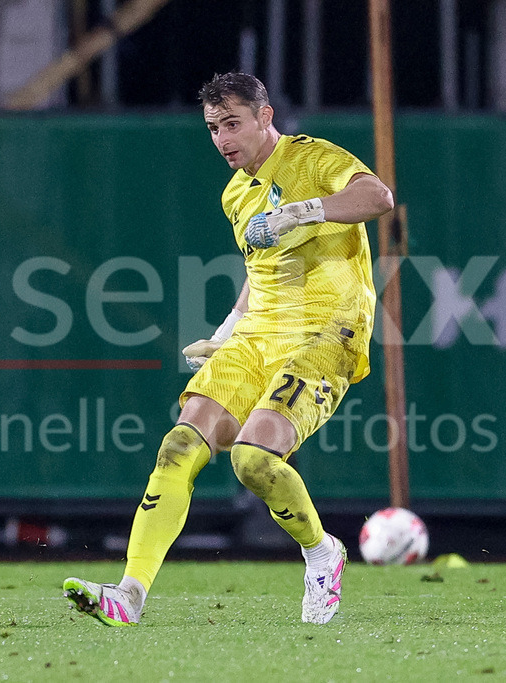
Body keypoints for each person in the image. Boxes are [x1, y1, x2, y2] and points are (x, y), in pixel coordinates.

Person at [64, 72, 394, 626]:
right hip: (257, 333)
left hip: (326, 332)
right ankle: (129, 595)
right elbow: (259, 274)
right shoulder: (236, 193)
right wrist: (224, 332)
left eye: (232, 124)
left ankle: (321, 553)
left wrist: (301, 211)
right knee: (178, 446)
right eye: (213, 128)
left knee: (251, 459)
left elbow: (378, 197)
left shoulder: (312, 157)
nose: (222, 139)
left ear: (265, 117)